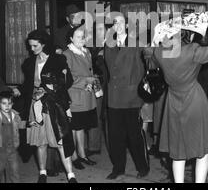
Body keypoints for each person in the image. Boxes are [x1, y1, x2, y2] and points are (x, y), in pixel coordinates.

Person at [152, 12, 208, 183]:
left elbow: (152, 53)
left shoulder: (159, 53)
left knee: (178, 152)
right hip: (194, 101)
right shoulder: (193, 51)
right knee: (202, 150)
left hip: (173, 101)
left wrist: (157, 39)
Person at [15, 30, 77, 183]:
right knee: (40, 142)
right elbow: (28, 84)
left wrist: (49, 88)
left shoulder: (58, 59)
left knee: (61, 140)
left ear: (43, 44)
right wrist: (19, 89)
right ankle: (42, 172)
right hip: (35, 106)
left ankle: (71, 175)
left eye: (35, 46)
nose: (32, 49)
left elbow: (68, 81)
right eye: (30, 46)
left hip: (54, 105)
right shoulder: (29, 63)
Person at [104, 14, 150, 180]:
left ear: (127, 25)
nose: (118, 25)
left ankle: (142, 167)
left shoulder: (137, 44)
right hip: (114, 97)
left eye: (121, 21)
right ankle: (118, 168)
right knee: (115, 136)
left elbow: (144, 69)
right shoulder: (108, 44)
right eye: (115, 23)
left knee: (134, 135)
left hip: (131, 96)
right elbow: (107, 67)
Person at [64, 26, 98, 169]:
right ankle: (74, 157)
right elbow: (67, 79)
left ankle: (82, 154)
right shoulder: (67, 54)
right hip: (75, 96)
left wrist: (93, 79)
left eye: (83, 37)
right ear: (71, 38)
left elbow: (89, 71)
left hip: (87, 95)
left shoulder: (87, 52)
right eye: (78, 37)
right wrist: (86, 80)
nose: (81, 39)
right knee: (73, 127)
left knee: (81, 128)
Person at [0, 91, 25, 183]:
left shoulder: (15, 115)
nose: (7, 106)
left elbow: (20, 124)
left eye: (9, 103)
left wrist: (28, 123)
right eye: (4, 103)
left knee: (14, 172)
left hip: (12, 149)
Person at [88, 22, 109, 156]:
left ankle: (113, 146)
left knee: (110, 117)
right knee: (95, 115)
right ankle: (94, 146)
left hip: (113, 85)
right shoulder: (92, 47)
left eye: (103, 29)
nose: (101, 32)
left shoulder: (115, 44)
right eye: (98, 30)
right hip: (98, 84)